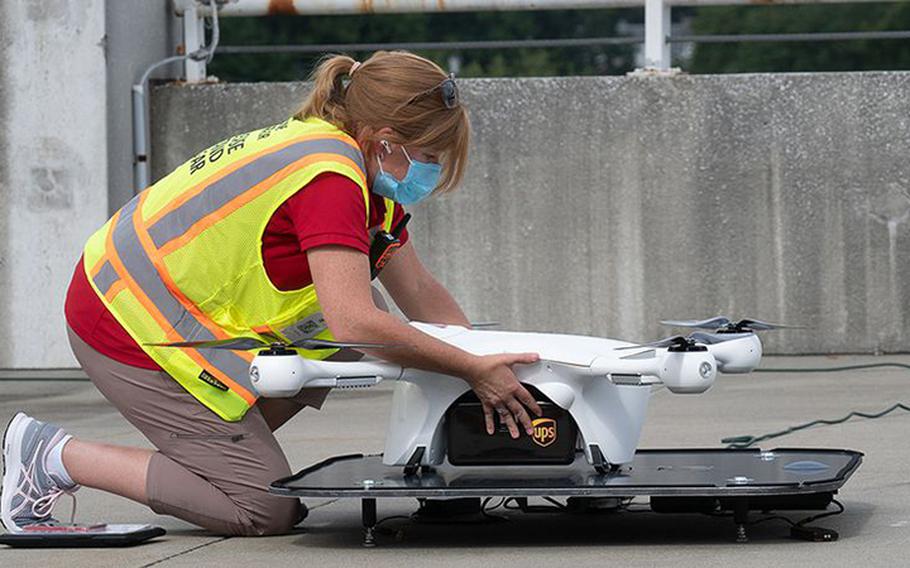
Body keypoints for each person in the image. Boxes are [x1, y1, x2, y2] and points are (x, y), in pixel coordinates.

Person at [1, 51, 542, 537]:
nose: (434, 168)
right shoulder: (328, 179)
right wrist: (469, 369)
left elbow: (419, 291)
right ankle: (52, 457)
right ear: (384, 138)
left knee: (379, 336)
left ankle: (218, 452)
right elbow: (355, 321)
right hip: (123, 320)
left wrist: (480, 369)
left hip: (176, 309)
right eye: (429, 152)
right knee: (263, 505)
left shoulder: (361, 173)